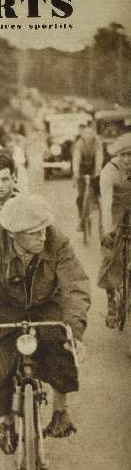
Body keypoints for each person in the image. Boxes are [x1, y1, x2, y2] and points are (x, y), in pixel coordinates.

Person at [0, 194, 90, 454]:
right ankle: (6, 422)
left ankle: (60, 411)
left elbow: (74, 286)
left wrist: (75, 333)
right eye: (33, 233)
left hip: (46, 303)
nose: (42, 237)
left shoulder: (57, 241)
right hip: (5, 307)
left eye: (43, 230)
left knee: (62, 345)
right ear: (13, 234)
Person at [98, 133, 131, 334]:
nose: (127, 160)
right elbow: (106, 202)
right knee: (110, 257)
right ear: (118, 155)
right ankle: (111, 301)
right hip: (115, 214)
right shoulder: (109, 171)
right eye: (124, 155)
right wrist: (108, 230)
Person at [72, 125, 103, 230]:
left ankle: (100, 212)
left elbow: (99, 155)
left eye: (91, 134)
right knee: (80, 195)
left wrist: (98, 170)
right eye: (86, 135)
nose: (89, 137)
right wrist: (76, 172)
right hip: (82, 168)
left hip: (94, 167)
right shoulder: (79, 144)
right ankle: (81, 219)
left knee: (99, 192)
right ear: (83, 136)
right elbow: (76, 158)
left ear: (94, 135)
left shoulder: (98, 141)